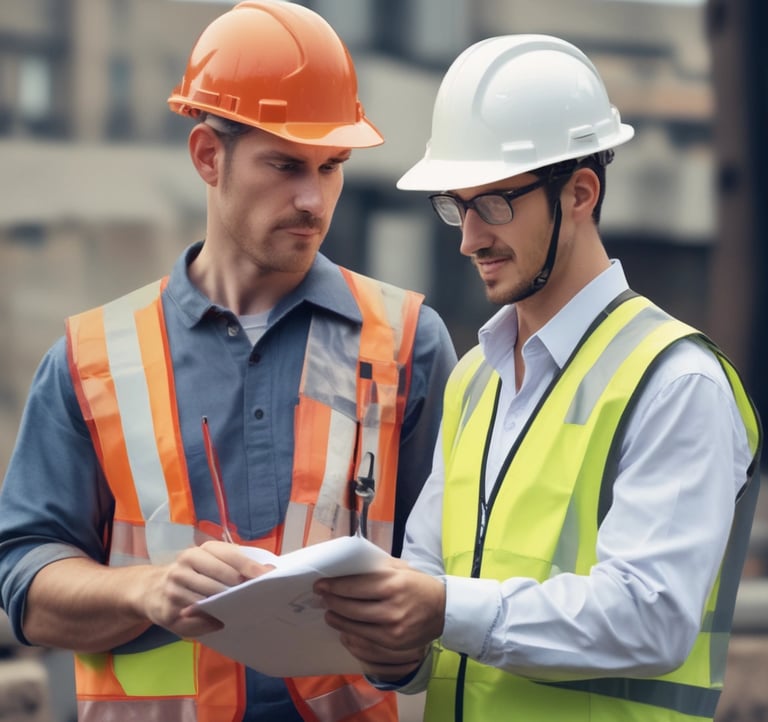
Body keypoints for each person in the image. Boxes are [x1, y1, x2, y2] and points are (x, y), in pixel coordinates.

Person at [0, 3, 456, 721]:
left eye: (332, 167)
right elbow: (26, 583)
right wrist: (146, 591)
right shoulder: (88, 360)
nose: (313, 199)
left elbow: (451, 587)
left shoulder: (410, 344)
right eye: (285, 165)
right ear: (209, 156)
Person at [314, 34, 763, 721]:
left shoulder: (675, 383)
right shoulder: (473, 382)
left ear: (580, 193)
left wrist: (440, 607)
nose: (468, 238)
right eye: (456, 205)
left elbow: (651, 616)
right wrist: (388, 639)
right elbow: (433, 611)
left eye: (493, 204)